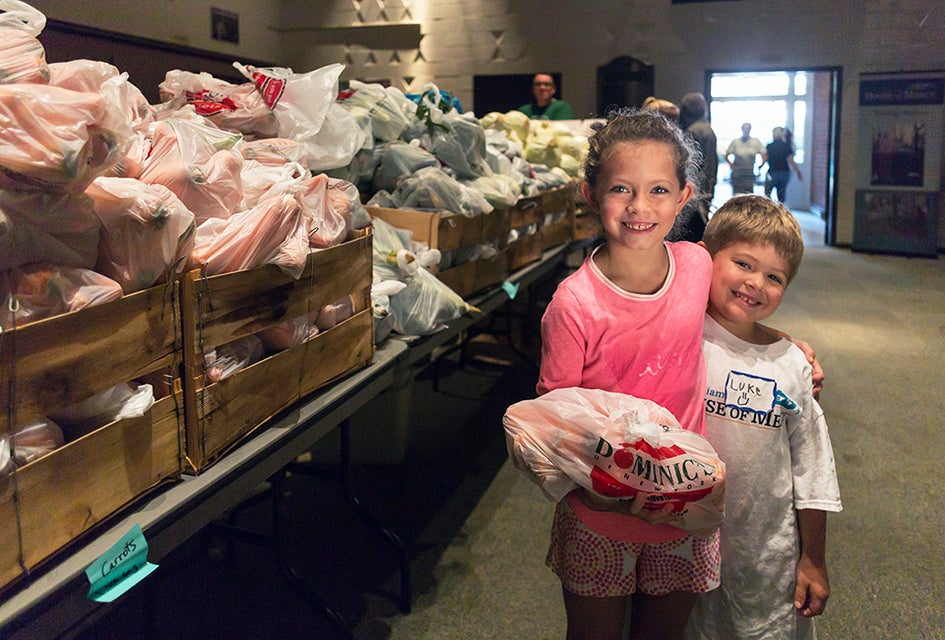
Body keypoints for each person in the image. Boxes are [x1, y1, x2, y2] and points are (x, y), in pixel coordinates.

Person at [537, 107, 718, 640]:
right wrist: (597, 494)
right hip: (600, 517)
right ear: (590, 194)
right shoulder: (574, 305)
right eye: (621, 188)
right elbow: (554, 423)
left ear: (684, 197)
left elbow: (738, 320)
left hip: (684, 509)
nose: (640, 207)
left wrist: (791, 348)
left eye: (659, 190)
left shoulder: (697, 267)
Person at [685, 195, 842, 640]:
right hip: (681, 546)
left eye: (774, 276)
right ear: (707, 257)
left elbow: (812, 469)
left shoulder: (791, 365)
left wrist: (814, 558)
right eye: (743, 263)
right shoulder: (679, 333)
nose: (756, 283)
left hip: (764, 553)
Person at [676, 92, 719, 242]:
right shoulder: (707, 128)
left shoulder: (694, 131)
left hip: (697, 189)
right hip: (706, 186)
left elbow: (691, 165)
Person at [764, 126, 803, 204]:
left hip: (773, 172)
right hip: (784, 172)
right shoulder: (786, 146)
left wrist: (760, 167)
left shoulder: (769, 146)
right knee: (781, 194)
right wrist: (798, 171)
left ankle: (768, 211)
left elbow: (765, 158)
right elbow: (791, 161)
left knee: (767, 193)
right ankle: (780, 211)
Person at [725, 122, 766, 194]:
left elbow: (764, 154)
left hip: (749, 171)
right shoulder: (735, 142)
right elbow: (727, 155)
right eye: (745, 128)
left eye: (747, 129)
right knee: (737, 193)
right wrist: (731, 165)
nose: (746, 130)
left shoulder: (755, 141)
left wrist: (761, 165)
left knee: (748, 194)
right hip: (737, 171)